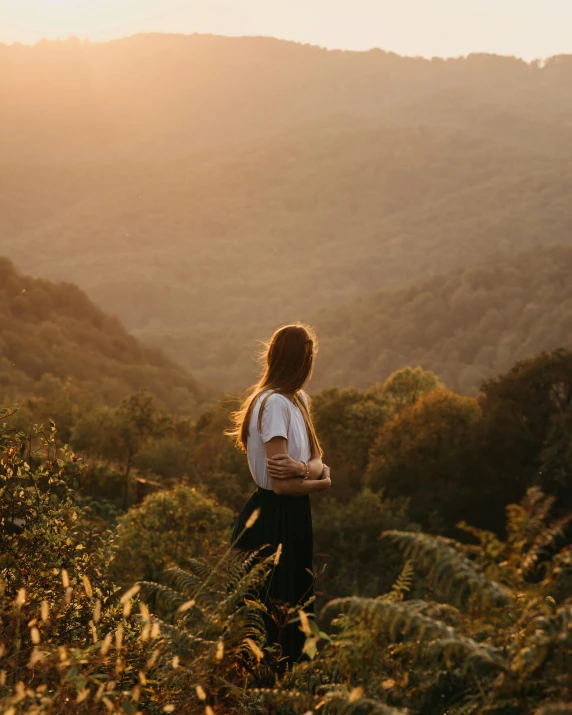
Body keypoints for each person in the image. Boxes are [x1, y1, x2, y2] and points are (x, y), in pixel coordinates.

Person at [226, 323, 331, 668]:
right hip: (274, 518)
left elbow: (316, 459)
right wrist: (320, 481)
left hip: (296, 516)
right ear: (303, 360)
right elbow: (285, 484)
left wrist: (304, 470)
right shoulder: (273, 405)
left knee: (296, 611)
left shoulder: (298, 400)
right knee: (272, 619)